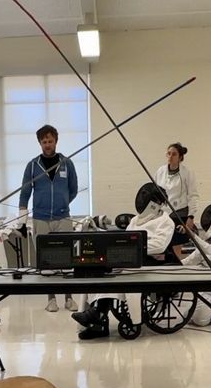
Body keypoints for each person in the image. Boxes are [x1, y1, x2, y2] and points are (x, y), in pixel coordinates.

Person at [71, 182, 176, 339]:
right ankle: (98, 321)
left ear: (156, 204)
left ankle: (98, 313)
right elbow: (124, 240)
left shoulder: (166, 222)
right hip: (129, 260)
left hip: (149, 265)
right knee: (96, 269)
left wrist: (134, 247)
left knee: (118, 276)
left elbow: (159, 246)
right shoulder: (135, 221)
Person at [17, 124, 79, 312]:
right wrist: (22, 220)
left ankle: (69, 298)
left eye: (50, 141)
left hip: (63, 217)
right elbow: (25, 193)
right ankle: (51, 298)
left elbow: (73, 189)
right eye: (44, 142)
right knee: (47, 260)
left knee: (68, 259)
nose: (47, 145)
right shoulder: (32, 165)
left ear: (56, 141)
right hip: (41, 218)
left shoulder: (66, 163)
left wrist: (62, 204)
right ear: (40, 143)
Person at [154, 142, 200, 246]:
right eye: (169, 153)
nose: (170, 156)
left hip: (180, 215)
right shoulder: (160, 171)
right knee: (162, 246)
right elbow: (155, 194)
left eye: (174, 154)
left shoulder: (187, 173)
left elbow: (193, 196)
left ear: (180, 157)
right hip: (163, 216)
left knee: (176, 246)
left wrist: (191, 217)